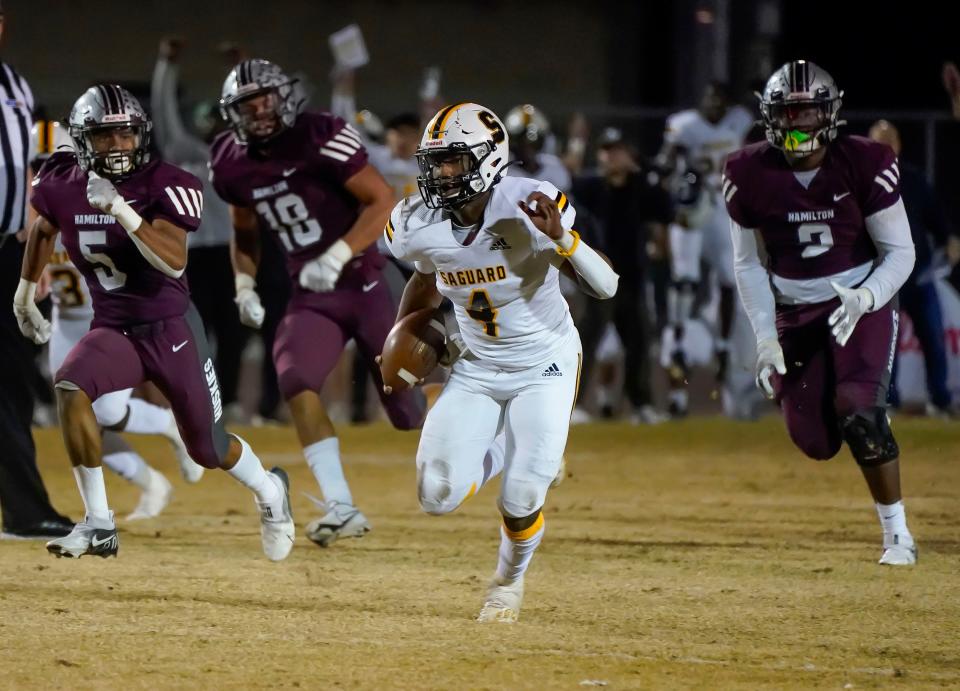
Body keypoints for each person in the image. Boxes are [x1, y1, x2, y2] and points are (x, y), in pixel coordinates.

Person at [17, 85, 294, 560]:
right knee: (70, 390)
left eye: (126, 134)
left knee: (208, 449)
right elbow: (43, 225)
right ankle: (99, 524)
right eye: (105, 136)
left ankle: (271, 493)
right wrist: (25, 291)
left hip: (170, 329)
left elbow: (171, 261)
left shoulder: (168, 182)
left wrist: (122, 210)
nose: (119, 145)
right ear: (84, 141)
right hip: (113, 328)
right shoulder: (61, 179)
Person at [384, 102, 619, 622]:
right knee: (435, 495)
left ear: (489, 161)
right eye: (434, 162)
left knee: (520, 495)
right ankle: (504, 445)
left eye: (452, 162)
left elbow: (606, 287)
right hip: (475, 365)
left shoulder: (529, 205)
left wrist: (562, 239)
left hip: (545, 363)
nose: (440, 174)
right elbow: (424, 276)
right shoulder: (416, 223)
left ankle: (507, 584)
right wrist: (401, 339)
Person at [210, 59, 425, 547]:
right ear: (233, 112)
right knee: (295, 377)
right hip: (312, 294)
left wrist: (338, 253)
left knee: (407, 412)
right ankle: (341, 506)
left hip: (368, 281)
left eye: (266, 97)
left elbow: (382, 200)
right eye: (249, 103)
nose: (261, 109)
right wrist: (243, 283)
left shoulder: (319, 133)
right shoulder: (230, 159)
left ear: (285, 95)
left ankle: (501, 432)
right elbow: (244, 230)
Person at [724, 60, 917, 565]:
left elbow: (901, 252)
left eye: (809, 112)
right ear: (771, 118)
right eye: (789, 113)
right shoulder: (746, 172)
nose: (799, 125)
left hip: (859, 299)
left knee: (860, 413)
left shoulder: (866, 160)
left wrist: (868, 297)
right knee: (815, 441)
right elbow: (747, 266)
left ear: (830, 114)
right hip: (794, 308)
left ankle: (897, 533)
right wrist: (765, 337)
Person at [30, 118, 200, 521]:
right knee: (75, 415)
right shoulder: (43, 203)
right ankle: (149, 482)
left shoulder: (91, 192)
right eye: (33, 165)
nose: (39, 174)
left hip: (106, 320)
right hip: (64, 322)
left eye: (44, 163)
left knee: (104, 413)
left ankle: (167, 424)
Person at [0, 3, 73, 540]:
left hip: (7, 250)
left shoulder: (15, 84)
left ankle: (25, 511)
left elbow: (28, 162)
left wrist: (35, 249)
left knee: (14, 381)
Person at [151, 38, 249, 423]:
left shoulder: (236, 152)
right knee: (194, 333)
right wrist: (166, 65)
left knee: (231, 332)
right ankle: (201, 402)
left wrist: (242, 68)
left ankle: (234, 402)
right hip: (191, 256)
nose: (212, 129)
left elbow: (251, 111)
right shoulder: (181, 150)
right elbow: (163, 110)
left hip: (227, 252)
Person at [572, 127, 672, 423]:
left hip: (632, 277)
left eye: (617, 150)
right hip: (596, 279)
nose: (611, 156)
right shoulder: (589, 187)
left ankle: (641, 405)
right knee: (585, 343)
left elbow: (664, 210)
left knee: (638, 342)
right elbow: (569, 186)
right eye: (606, 150)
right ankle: (572, 405)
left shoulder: (642, 186)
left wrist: (644, 170)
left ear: (629, 155)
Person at [660, 82, 754, 386]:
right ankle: (677, 340)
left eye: (719, 100)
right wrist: (674, 173)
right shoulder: (684, 125)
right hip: (693, 205)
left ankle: (723, 348)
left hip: (723, 206)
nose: (714, 105)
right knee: (685, 278)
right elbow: (666, 160)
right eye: (710, 100)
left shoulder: (739, 120)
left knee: (729, 277)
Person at [868, 120, 956, 416]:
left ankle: (940, 401)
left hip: (919, 278)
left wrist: (950, 240)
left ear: (899, 146)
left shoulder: (915, 181)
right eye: (878, 143)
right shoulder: (857, 186)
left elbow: (939, 221)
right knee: (885, 347)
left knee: (933, 339)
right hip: (883, 279)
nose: (884, 148)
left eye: (888, 141)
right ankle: (889, 403)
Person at [503, 104, 571, 192]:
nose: (528, 149)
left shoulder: (554, 166)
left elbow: (566, 202)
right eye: (522, 144)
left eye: (533, 144)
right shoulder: (506, 174)